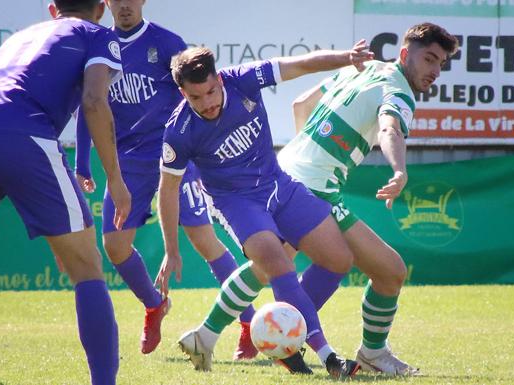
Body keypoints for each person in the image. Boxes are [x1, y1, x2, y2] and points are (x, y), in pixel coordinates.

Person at [155, 43, 374, 377]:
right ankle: (328, 357)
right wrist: (171, 250)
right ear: (182, 92)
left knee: (339, 259)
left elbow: (298, 64)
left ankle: (252, 336)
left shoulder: (242, 80)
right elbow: (167, 192)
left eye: (212, 91)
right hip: (237, 203)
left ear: (219, 79)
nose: (208, 103)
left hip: (279, 185)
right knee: (276, 262)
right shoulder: (179, 132)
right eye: (196, 97)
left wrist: (347, 58)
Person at [74, 0, 256, 358]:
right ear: (106, 3)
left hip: (174, 157)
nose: (124, 5)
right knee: (114, 246)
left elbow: (198, 100)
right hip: (126, 163)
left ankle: (249, 324)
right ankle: (154, 304)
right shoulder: (97, 46)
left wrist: (203, 152)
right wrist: (82, 160)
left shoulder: (167, 44)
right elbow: (89, 104)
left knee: (204, 239)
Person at [277, 22, 459, 376]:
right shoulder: (399, 91)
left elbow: (301, 104)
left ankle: (255, 336)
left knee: (280, 265)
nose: (435, 71)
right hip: (317, 187)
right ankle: (295, 339)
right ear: (405, 54)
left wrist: (307, 155)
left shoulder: (361, 67)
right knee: (389, 271)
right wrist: (399, 171)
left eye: (441, 64)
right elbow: (390, 127)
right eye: (430, 59)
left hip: (287, 174)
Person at [0, 1, 131, 384]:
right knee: (86, 268)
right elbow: (94, 101)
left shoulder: (19, 37)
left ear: (53, 8)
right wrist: (115, 179)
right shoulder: (97, 34)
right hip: (25, 134)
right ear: (102, 8)